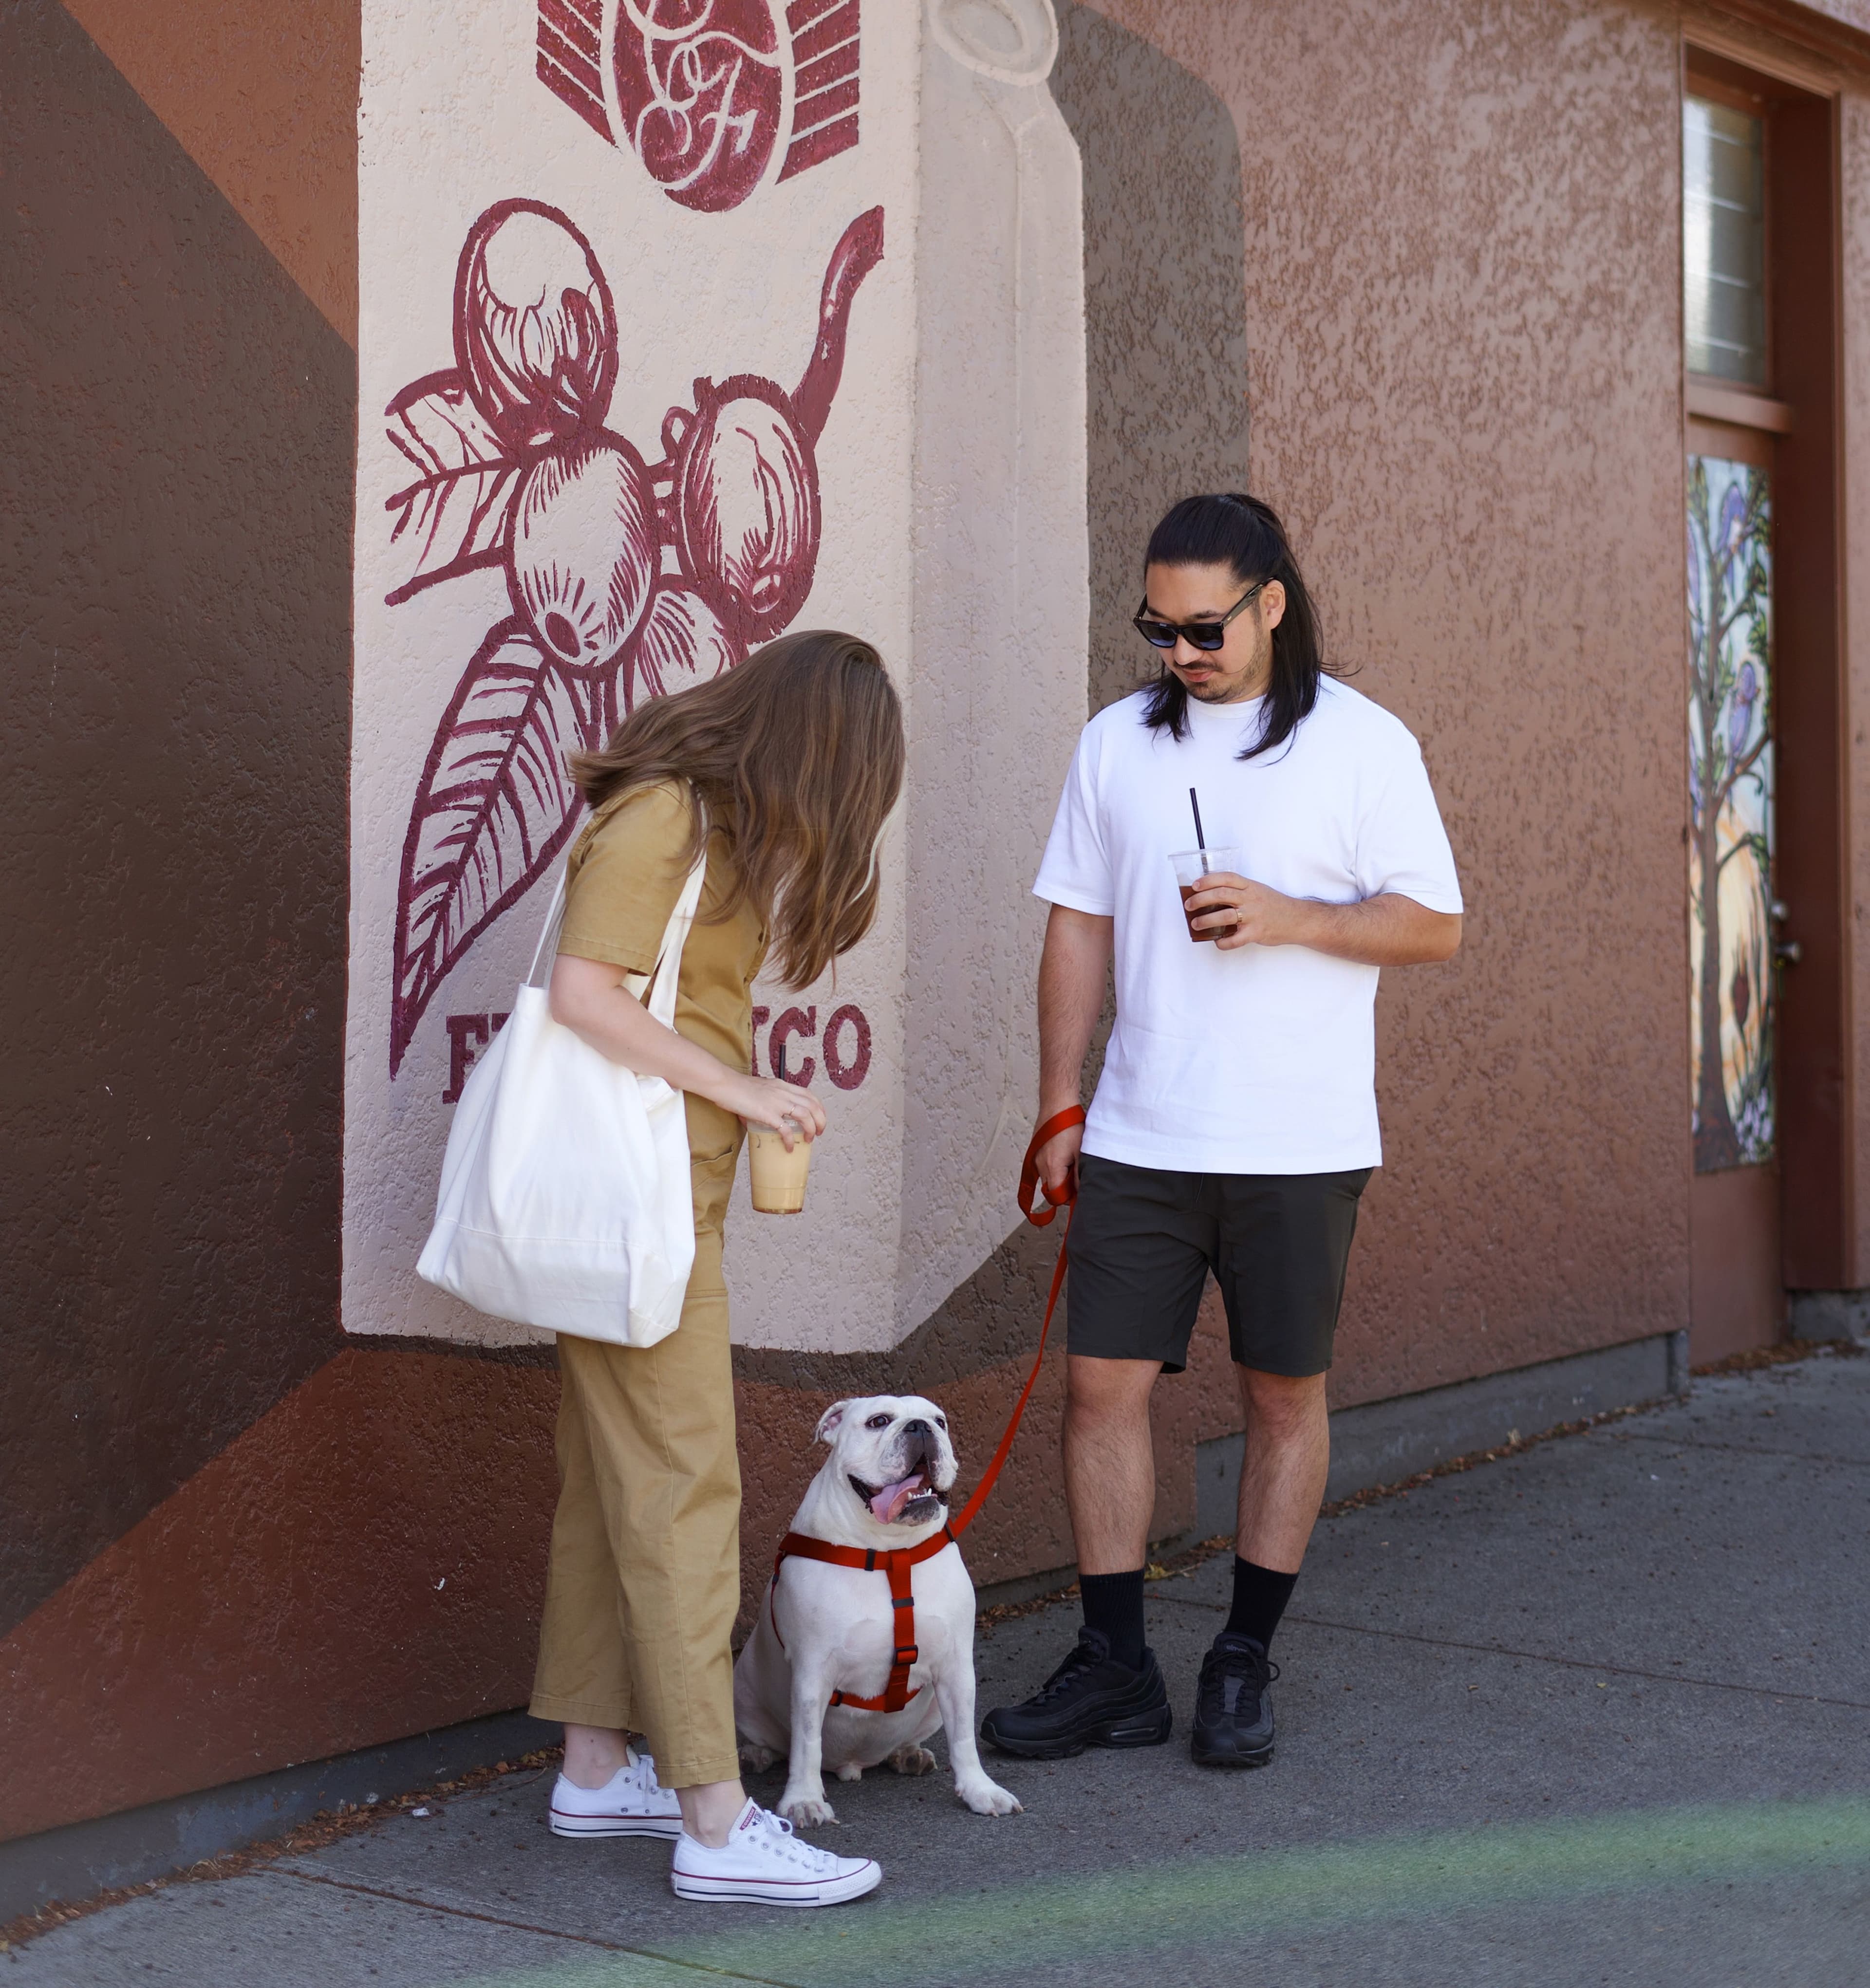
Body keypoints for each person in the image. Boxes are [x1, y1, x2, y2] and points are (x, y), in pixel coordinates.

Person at [982, 493, 1462, 1770]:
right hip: (1141, 1130)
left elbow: (1435, 923)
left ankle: (1244, 1655)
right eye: (1159, 628)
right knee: (1100, 1391)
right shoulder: (1116, 744)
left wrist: (1292, 916)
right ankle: (1115, 1665)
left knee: (1281, 1396)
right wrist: (1059, 1098)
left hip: (1299, 1142)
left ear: (1271, 606)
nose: (1180, 653)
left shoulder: (1364, 743)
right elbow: (1077, 921)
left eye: (1205, 630)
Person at [530, 630, 904, 1906]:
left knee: (611, 1486)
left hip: (663, 1201)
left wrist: (741, 1097)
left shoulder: (711, 825)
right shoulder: (665, 816)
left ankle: (595, 1770)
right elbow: (585, 993)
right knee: (689, 1485)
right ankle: (714, 1819)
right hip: (636, 1210)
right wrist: (742, 1088)